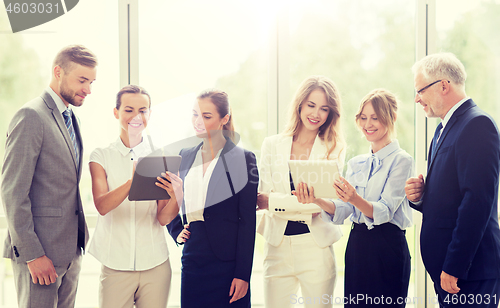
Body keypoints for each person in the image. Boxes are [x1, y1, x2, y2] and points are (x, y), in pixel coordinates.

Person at [296, 88, 413, 307]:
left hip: (388, 246)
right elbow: (344, 209)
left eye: (375, 118)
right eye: (363, 118)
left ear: (392, 118)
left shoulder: (402, 161)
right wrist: (317, 200)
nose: (368, 124)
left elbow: (385, 211)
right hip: (358, 246)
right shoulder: (357, 162)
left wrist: (354, 198)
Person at [1, 45, 97, 307]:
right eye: (82, 80)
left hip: (70, 253)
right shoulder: (31, 116)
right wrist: (33, 255)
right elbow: (13, 193)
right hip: (40, 256)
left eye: (91, 82)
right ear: (58, 72)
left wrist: (75, 251)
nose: (88, 89)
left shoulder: (70, 117)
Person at [405, 52, 500, 307]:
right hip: (453, 273)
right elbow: (452, 197)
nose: (417, 99)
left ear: (443, 85)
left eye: (420, 90)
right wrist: (421, 195)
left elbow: (477, 202)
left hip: (469, 272)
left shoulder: (477, 124)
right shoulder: (442, 129)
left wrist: (455, 265)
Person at [88, 85, 181, 308]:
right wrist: (133, 182)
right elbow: (102, 205)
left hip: (156, 266)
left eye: (143, 110)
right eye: (129, 110)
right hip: (115, 266)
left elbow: (163, 218)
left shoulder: (162, 157)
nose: (136, 116)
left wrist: (177, 196)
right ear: (116, 112)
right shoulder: (101, 156)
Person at [256, 75, 345, 308]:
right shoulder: (272, 144)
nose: (316, 114)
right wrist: (303, 204)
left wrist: (274, 202)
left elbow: (321, 206)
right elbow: (259, 198)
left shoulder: (333, 149)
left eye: (324, 108)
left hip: (316, 248)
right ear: (300, 105)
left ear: (330, 113)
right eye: (311, 105)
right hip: (277, 248)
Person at [166, 90, 258, 308]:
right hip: (193, 258)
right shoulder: (185, 155)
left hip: (228, 265)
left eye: (206, 117)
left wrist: (243, 275)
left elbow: (247, 221)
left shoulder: (244, 159)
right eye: (195, 114)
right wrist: (176, 229)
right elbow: (172, 196)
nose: (198, 122)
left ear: (224, 119)